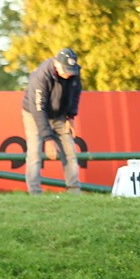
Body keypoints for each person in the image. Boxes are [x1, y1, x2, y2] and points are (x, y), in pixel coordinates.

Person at [21, 48, 83, 195]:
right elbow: (38, 109)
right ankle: (35, 193)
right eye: (65, 70)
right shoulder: (41, 76)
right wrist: (48, 139)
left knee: (70, 152)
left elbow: (75, 94)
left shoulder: (74, 73)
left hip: (59, 115)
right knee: (35, 153)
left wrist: (71, 117)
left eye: (71, 70)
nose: (68, 74)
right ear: (56, 64)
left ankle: (74, 191)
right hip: (34, 114)